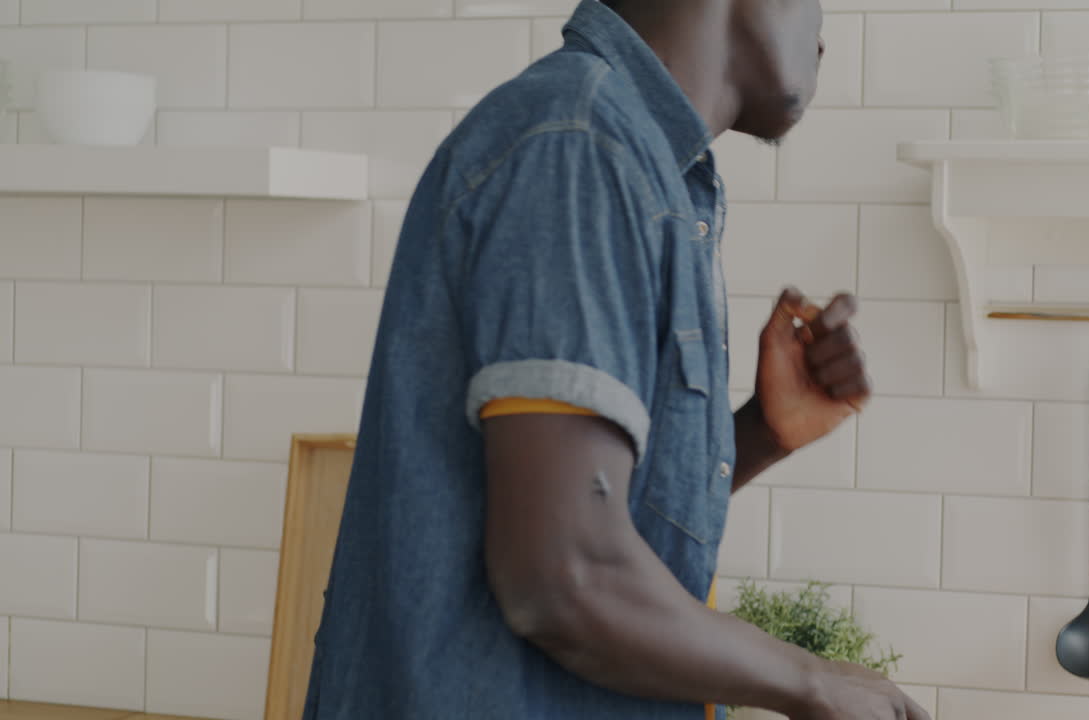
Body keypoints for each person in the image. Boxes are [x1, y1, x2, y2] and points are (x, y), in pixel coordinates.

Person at [303, 0, 930, 718]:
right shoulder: (578, 149)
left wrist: (762, 431)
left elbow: (584, 525)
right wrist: (812, 682)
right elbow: (566, 576)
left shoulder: (631, 158)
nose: (820, 38)